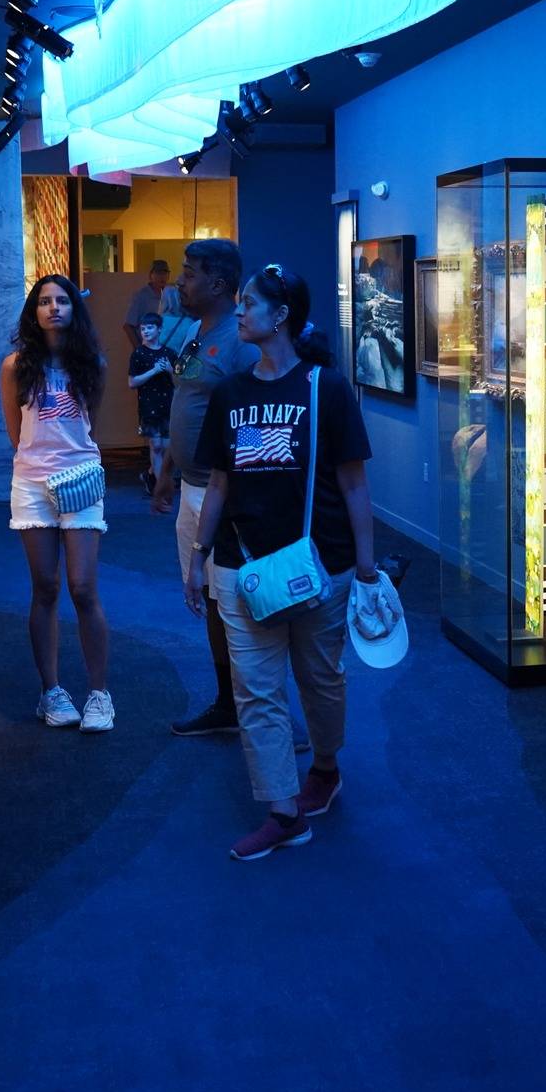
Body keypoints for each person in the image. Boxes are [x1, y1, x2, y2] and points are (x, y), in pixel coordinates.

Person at [186, 264, 391, 861]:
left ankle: (324, 771)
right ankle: (282, 811)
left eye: (249, 303)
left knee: (321, 681)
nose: (240, 311)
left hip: (321, 567)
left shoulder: (326, 389)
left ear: (281, 317)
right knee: (256, 692)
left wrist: (368, 568)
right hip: (242, 567)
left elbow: (354, 484)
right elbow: (218, 484)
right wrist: (198, 557)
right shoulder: (230, 393)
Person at [153, 238, 260, 737]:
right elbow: (188, 406)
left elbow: (255, 424)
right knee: (213, 603)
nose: (181, 280)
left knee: (239, 607)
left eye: (189, 273)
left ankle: (264, 711)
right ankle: (229, 705)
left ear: (218, 283)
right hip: (191, 489)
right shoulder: (197, 333)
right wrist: (166, 470)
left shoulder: (241, 344)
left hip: (226, 497)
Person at [1, 274, 114, 733]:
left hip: (82, 478)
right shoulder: (15, 366)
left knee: (83, 587)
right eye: (44, 301)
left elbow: (91, 425)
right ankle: (51, 691)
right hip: (31, 484)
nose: (53, 308)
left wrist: (70, 457)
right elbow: (16, 433)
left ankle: (99, 694)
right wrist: (40, 463)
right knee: (45, 587)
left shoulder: (93, 364)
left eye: (61, 300)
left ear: (73, 309)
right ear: (34, 311)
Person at [127, 311, 174, 495]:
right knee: (156, 445)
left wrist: (169, 369)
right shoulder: (138, 354)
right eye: (142, 328)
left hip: (168, 403)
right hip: (148, 404)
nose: (145, 331)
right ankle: (159, 486)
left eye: (149, 328)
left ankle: (150, 475)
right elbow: (131, 382)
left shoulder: (169, 353)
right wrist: (154, 371)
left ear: (159, 329)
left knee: (168, 447)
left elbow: (179, 380)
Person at [123, 259, 172, 351]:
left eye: (165, 273)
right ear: (151, 275)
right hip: (148, 348)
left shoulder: (171, 296)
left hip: (167, 349)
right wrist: (139, 348)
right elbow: (128, 326)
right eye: (158, 273)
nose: (162, 277)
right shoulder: (141, 296)